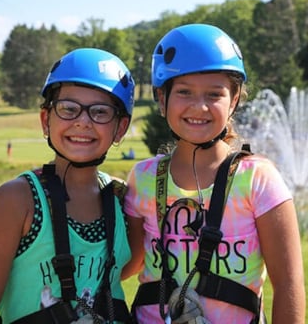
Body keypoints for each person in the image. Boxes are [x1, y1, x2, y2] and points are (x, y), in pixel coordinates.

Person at [122, 24, 305, 323]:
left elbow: (287, 284)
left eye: (214, 94)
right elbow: (124, 265)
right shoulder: (143, 178)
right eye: (184, 92)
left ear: (233, 100)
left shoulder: (257, 178)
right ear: (161, 97)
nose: (199, 106)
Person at [0, 48, 136, 324]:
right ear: (46, 120)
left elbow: (125, 268)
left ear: (120, 128)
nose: (83, 122)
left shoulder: (120, 198)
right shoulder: (17, 200)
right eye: (68, 109)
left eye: (100, 112)